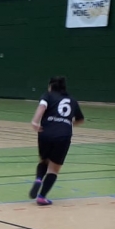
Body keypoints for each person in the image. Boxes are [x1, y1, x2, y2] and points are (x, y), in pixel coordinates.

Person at [29, 76, 84, 206]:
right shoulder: (72, 100)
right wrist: (67, 124)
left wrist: (35, 121)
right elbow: (80, 119)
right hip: (63, 135)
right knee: (54, 169)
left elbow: (42, 106)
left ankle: (38, 179)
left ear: (51, 86)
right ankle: (42, 197)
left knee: (44, 160)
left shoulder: (47, 95)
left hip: (45, 132)